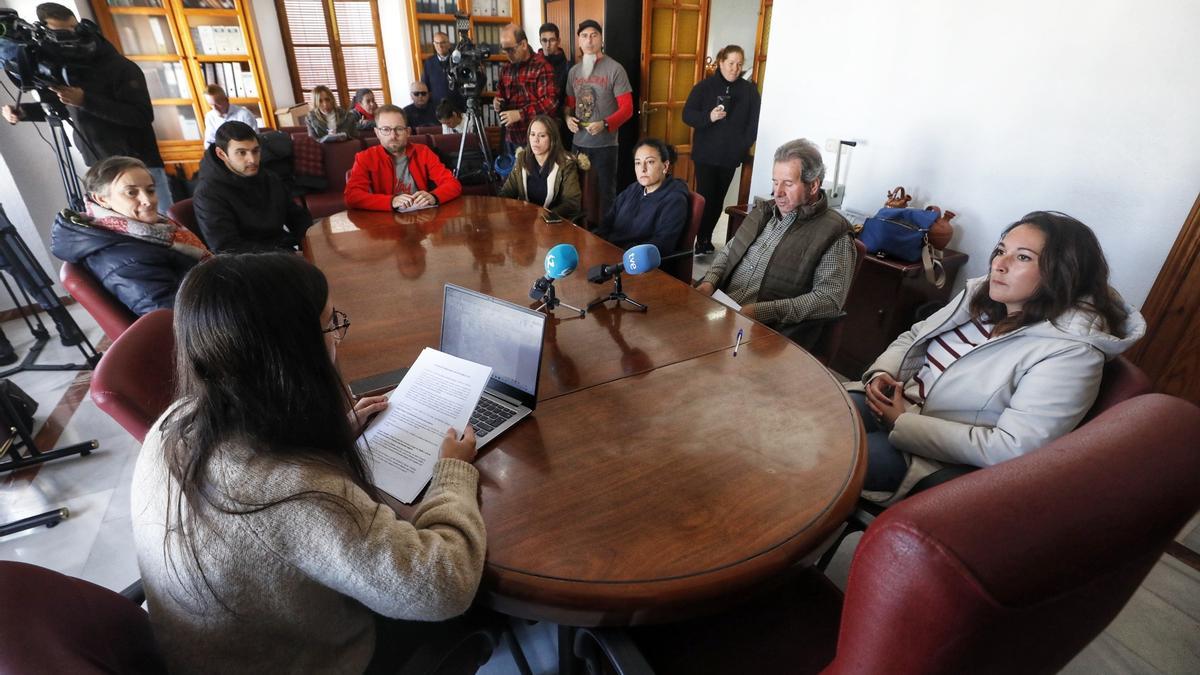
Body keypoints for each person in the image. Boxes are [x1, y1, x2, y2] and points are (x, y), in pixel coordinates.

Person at [131, 252, 485, 673]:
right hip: (299, 659)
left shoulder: (173, 424)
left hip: (224, 647)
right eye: (331, 324)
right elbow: (445, 584)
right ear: (292, 351)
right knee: (484, 604)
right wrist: (454, 474)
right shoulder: (295, 494)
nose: (338, 337)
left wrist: (333, 435)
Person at [848, 211, 1146, 499]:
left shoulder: (1072, 353)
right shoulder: (985, 298)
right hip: (898, 405)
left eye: (1023, 257)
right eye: (1001, 250)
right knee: (811, 416)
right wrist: (883, 374)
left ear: (1063, 273)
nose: (998, 265)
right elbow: (915, 336)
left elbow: (1013, 448)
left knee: (832, 455)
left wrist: (902, 422)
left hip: (936, 454)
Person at [2, 3, 173, 213]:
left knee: (163, 225)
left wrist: (85, 101)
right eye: (62, 33)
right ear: (46, 33)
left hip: (139, 164)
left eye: (74, 30)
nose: (71, 38)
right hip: (99, 165)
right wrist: (25, 113)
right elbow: (61, 107)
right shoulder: (62, 69)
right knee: (121, 231)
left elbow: (141, 116)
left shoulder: (119, 66)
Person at [697, 138, 855, 342]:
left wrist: (763, 312)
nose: (777, 192)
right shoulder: (764, 211)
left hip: (768, 334)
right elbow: (729, 252)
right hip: (723, 312)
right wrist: (709, 281)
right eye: (775, 181)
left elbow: (829, 299)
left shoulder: (835, 232)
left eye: (788, 184)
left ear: (814, 185)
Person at [50, 156, 209, 317]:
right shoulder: (123, 258)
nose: (147, 200)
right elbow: (173, 318)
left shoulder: (150, 232)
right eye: (131, 193)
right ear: (102, 199)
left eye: (150, 190)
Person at [683, 45, 761, 255]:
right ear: (721, 62)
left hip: (730, 156)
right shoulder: (704, 87)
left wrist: (741, 146)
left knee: (718, 199)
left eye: (739, 64)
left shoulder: (749, 91)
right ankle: (698, 239)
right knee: (705, 197)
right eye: (730, 63)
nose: (735, 68)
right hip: (705, 155)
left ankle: (705, 238)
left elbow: (753, 125)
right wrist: (708, 117)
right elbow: (687, 115)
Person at [193, 121, 312, 252]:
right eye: (241, 152)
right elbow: (228, 248)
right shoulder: (208, 193)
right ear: (222, 154)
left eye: (255, 151)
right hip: (248, 265)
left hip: (282, 250)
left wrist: (308, 245)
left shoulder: (269, 177)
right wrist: (287, 257)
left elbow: (297, 216)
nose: (252, 160)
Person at [564, 19, 633, 226]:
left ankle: (607, 236)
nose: (589, 40)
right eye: (584, 36)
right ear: (579, 40)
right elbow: (569, 105)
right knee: (576, 191)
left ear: (601, 38)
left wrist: (604, 123)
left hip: (605, 146)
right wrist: (567, 118)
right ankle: (579, 231)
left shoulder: (615, 69)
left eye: (594, 35)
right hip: (578, 143)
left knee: (605, 194)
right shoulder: (574, 72)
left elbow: (627, 109)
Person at [344, 105, 462, 212]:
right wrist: (391, 201)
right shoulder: (365, 158)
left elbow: (453, 184)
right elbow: (352, 197)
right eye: (385, 129)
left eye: (399, 129)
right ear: (377, 133)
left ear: (408, 132)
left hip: (423, 219)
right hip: (385, 223)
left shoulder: (423, 152)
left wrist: (434, 196)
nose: (393, 136)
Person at [594, 138, 688, 254]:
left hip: (637, 262)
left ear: (665, 166)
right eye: (638, 163)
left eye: (650, 162)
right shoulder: (633, 188)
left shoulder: (675, 200)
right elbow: (609, 219)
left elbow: (662, 245)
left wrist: (621, 253)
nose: (643, 169)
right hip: (611, 251)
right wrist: (598, 242)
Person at [498, 115, 582, 223]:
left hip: (552, 225)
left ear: (552, 139)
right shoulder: (522, 158)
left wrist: (545, 216)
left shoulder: (566, 164)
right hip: (525, 221)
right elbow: (507, 192)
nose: (535, 140)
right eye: (532, 135)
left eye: (542, 136)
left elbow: (572, 203)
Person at [494, 24, 558, 155]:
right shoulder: (506, 68)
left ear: (523, 44)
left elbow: (550, 103)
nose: (507, 55)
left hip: (536, 140)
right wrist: (497, 102)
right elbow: (500, 92)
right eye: (504, 50)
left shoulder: (541, 67)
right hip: (511, 137)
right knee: (513, 175)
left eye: (511, 50)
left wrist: (520, 114)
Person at [202, 84, 256, 149]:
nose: (215, 109)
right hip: (221, 154)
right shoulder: (209, 117)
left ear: (226, 100)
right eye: (211, 105)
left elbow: (254, 140)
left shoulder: (244, 114)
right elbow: (209, 141)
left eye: (217, 104)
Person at [537, 23, 572, 115]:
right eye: (544, 40)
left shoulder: (568, 66)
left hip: (559, 118)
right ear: (540, 41)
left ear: (558, 41)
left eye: (552, 40)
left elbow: (569, 98)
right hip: (536, 117)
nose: (548, 45)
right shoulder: (533, 64)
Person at [421, 31, 460, 112]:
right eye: (437, 43)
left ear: (449, 44)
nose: (440, 46)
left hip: (457, 106)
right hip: (437, 108)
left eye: (443, 42)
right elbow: (425, 86)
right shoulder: (429, 63)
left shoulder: (458, 60)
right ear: (434, 44)